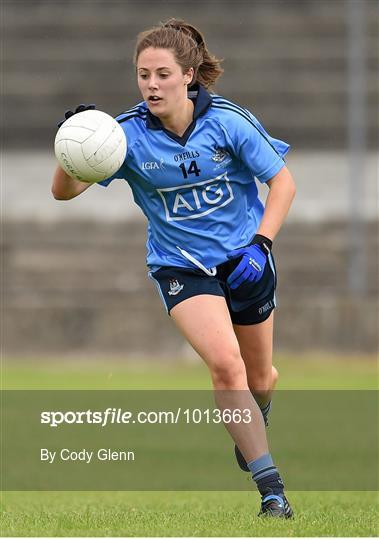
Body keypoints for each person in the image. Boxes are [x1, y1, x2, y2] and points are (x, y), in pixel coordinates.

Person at [52, 18, 296, 519]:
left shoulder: (228, 121)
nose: (151, 85)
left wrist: (261, 245)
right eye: (143, 75)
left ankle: (254, 414)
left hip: (246, 260)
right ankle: (272, 491)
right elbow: (63, 191)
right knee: (226, 365)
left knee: (260, 377)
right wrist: (72, 143)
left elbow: (284, 184)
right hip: (180, 268)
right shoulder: (124, 135)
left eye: (162, 74)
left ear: (189, 75)